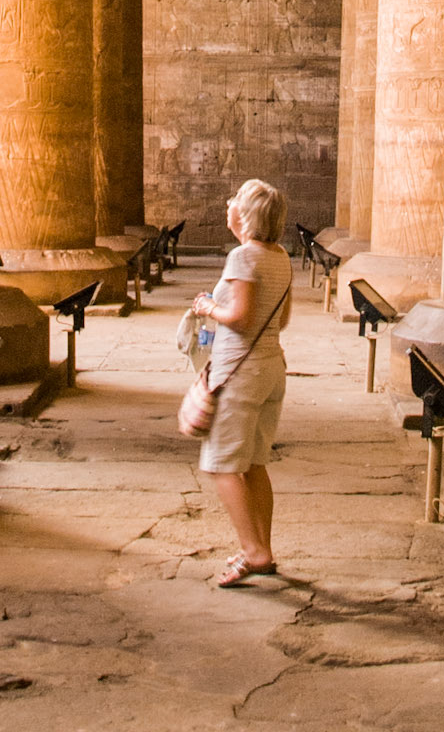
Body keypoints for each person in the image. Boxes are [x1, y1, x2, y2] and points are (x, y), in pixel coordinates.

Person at [191, 177, 292, 587]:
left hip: (240, 373)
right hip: (271, 367)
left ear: (247, 215)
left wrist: (209, 307)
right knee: (253, 463)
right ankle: (262, 548)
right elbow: (280, 319)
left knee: (221, 466)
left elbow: (241, 318)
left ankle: (253, 552)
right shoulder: (280, 256)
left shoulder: (242, 258)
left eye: (236, 202)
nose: (229, 205)